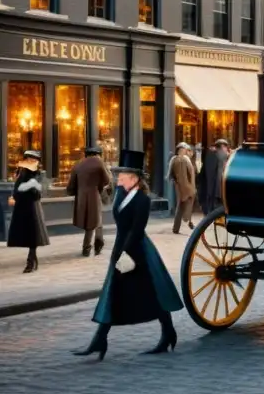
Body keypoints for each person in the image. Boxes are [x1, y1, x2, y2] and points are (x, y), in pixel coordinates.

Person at [73, 150, 184, 360]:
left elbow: (136, 229)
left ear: (134, 178)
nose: (118, 177)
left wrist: (125, 254)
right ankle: (100, 340)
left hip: (138, 251)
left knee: (152, 292)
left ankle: (167, 332)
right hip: (121, 247)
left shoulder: (142, 200)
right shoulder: (121, 194)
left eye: (122, 174)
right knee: (114, 292)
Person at [6, 150, 50, 273]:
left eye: (34, 159)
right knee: (27, 234)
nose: (31, 161)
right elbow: (16, 190)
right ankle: (33, 259)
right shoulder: (21, 172)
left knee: (33, 234)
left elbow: (40, 192)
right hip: (22, 207)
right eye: (29, 159)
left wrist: (33, 186)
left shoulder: (39, 174)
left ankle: (30, 260)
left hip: (32, 207)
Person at [66, 145, 112, 257]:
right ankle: (90, 247)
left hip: (81, 197)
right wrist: (99, 185)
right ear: (97, 154)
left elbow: (71, 186)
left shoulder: (78, 165)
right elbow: (107, 180)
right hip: (94, 195)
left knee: (91, 221)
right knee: (94, 221)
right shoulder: (99, 162)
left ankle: (96, 244)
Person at [169, 142, 197, 234]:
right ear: (182, 149)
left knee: (180, 206)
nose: (188, 151)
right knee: (185, 203)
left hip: (181, 186)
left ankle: (178, 227)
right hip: (185, 186)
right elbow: (183, 176)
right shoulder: (182, 160)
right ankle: (187, 220)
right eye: (187, 149)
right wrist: (189, 188)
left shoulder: (178, 159)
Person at [199, 139, 230, 215]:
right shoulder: (219, 155)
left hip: (212, 188)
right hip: (218, 188)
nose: (227, 149)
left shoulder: (211, 155)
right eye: (226, 147)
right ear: (222, 147)